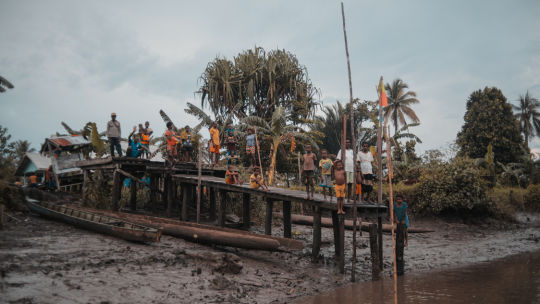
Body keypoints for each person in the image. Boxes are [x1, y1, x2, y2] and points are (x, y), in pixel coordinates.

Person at [336, 138, 355, 203]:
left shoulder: (352, 151)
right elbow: (338, 160)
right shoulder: (341, 150)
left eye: (349, 142)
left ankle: (349, 199)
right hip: (345, 169)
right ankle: (342, 199)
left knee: (350, 185)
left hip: (351, 170)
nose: (347, 143)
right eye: (346, 142)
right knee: (344, 185)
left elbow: (354, 160)